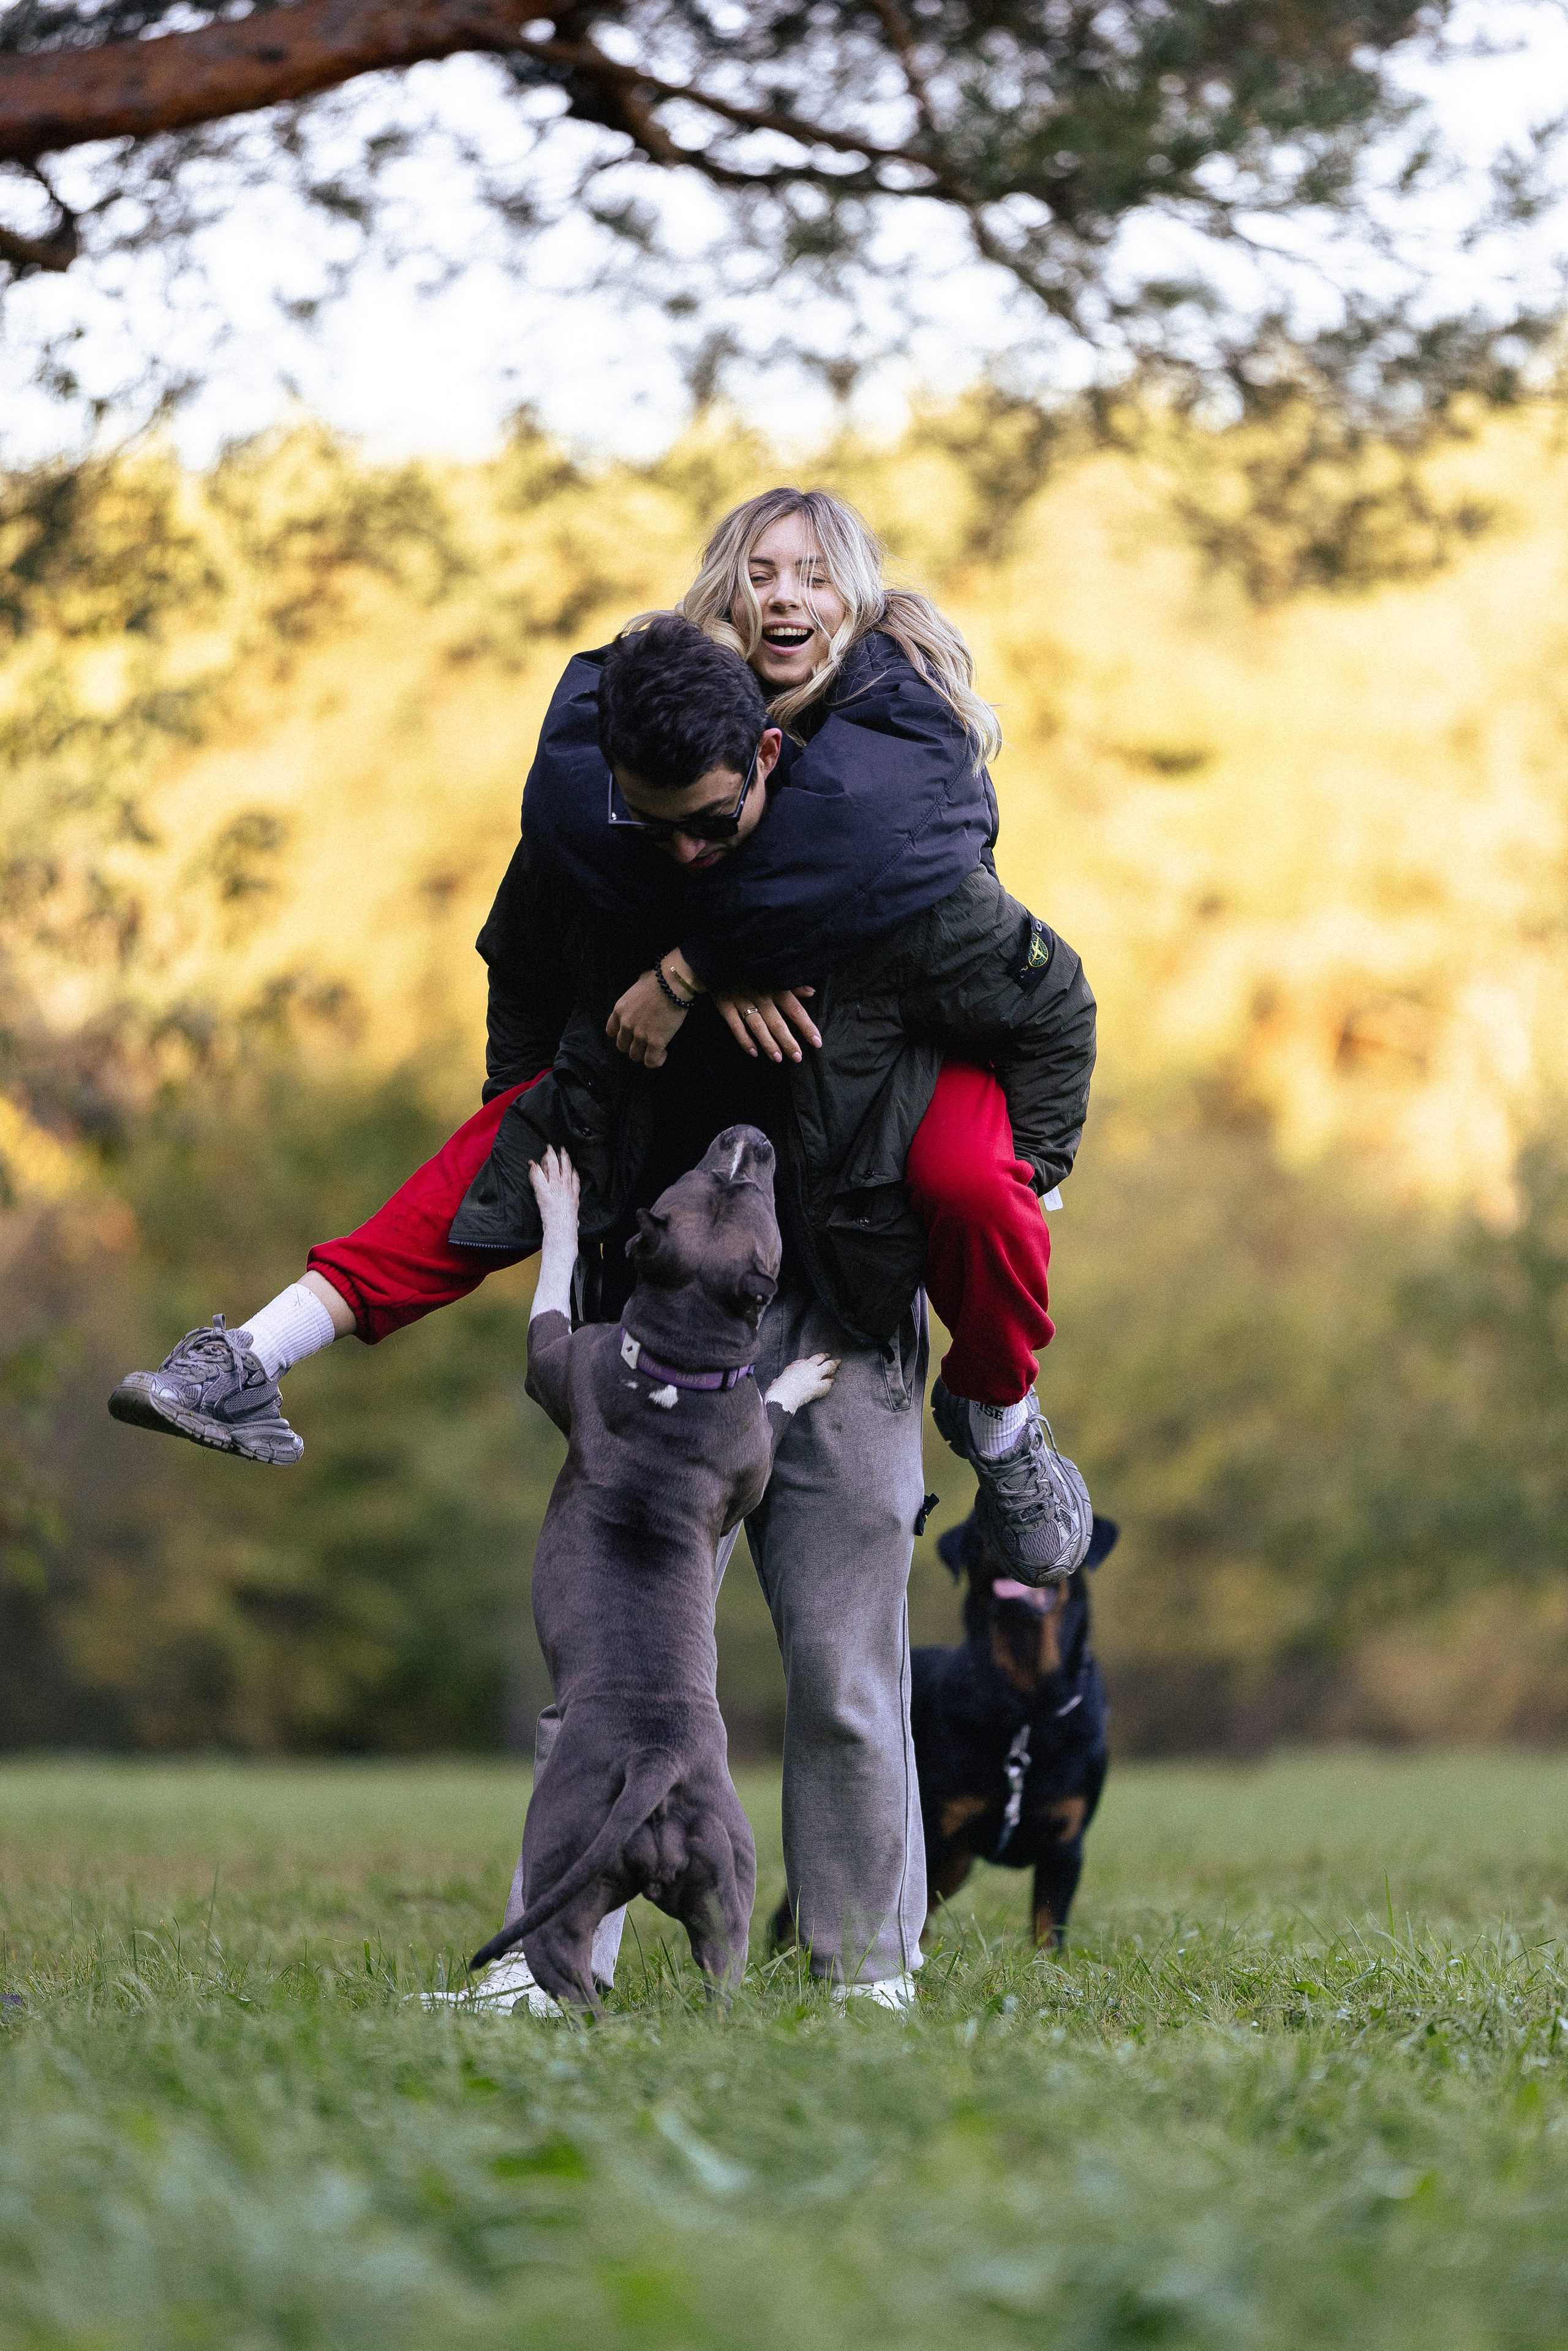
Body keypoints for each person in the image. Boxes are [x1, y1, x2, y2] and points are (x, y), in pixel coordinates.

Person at [108, 491, 1097, 1999]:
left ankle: (867, 1980)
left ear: (774, 759)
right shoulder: (615, 826)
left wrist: (1023, 1178)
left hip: (838, 1290)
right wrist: (624, 1011)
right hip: (666, 1304)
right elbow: (524, 954)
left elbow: (1047, 1005)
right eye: (755, 574)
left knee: (845, 1667)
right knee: (617, 1678)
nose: (689, 851)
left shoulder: (888, 859)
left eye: (809, 576)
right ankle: (541, 1967)